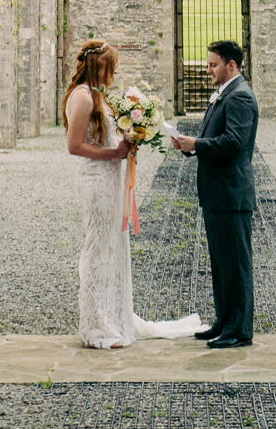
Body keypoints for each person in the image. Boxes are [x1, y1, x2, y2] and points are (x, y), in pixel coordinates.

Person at [64, 39, 203, 349]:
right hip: (97, 181)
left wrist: (131, 136)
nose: (113, 75)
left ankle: (114, 315)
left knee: (114, 246)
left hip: (109, 179)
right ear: (100, 66)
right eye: (111, 68)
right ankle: (97, 325)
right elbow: (74, 146)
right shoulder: (83, 98)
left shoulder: (96, 95)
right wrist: (114, 154)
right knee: (99, 247)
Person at [168, 40, 257, 348]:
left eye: (213, 65)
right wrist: (190, 146)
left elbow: (234, 142)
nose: (208, 70)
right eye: (208, 64)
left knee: (236, 265)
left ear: (231, 65)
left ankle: (239, 330)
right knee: (220, 263)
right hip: (217, 192)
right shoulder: (225, 93)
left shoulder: (240, 96)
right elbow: (213, 135)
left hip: (232, 193)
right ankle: (223, 321)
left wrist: (197, 144)